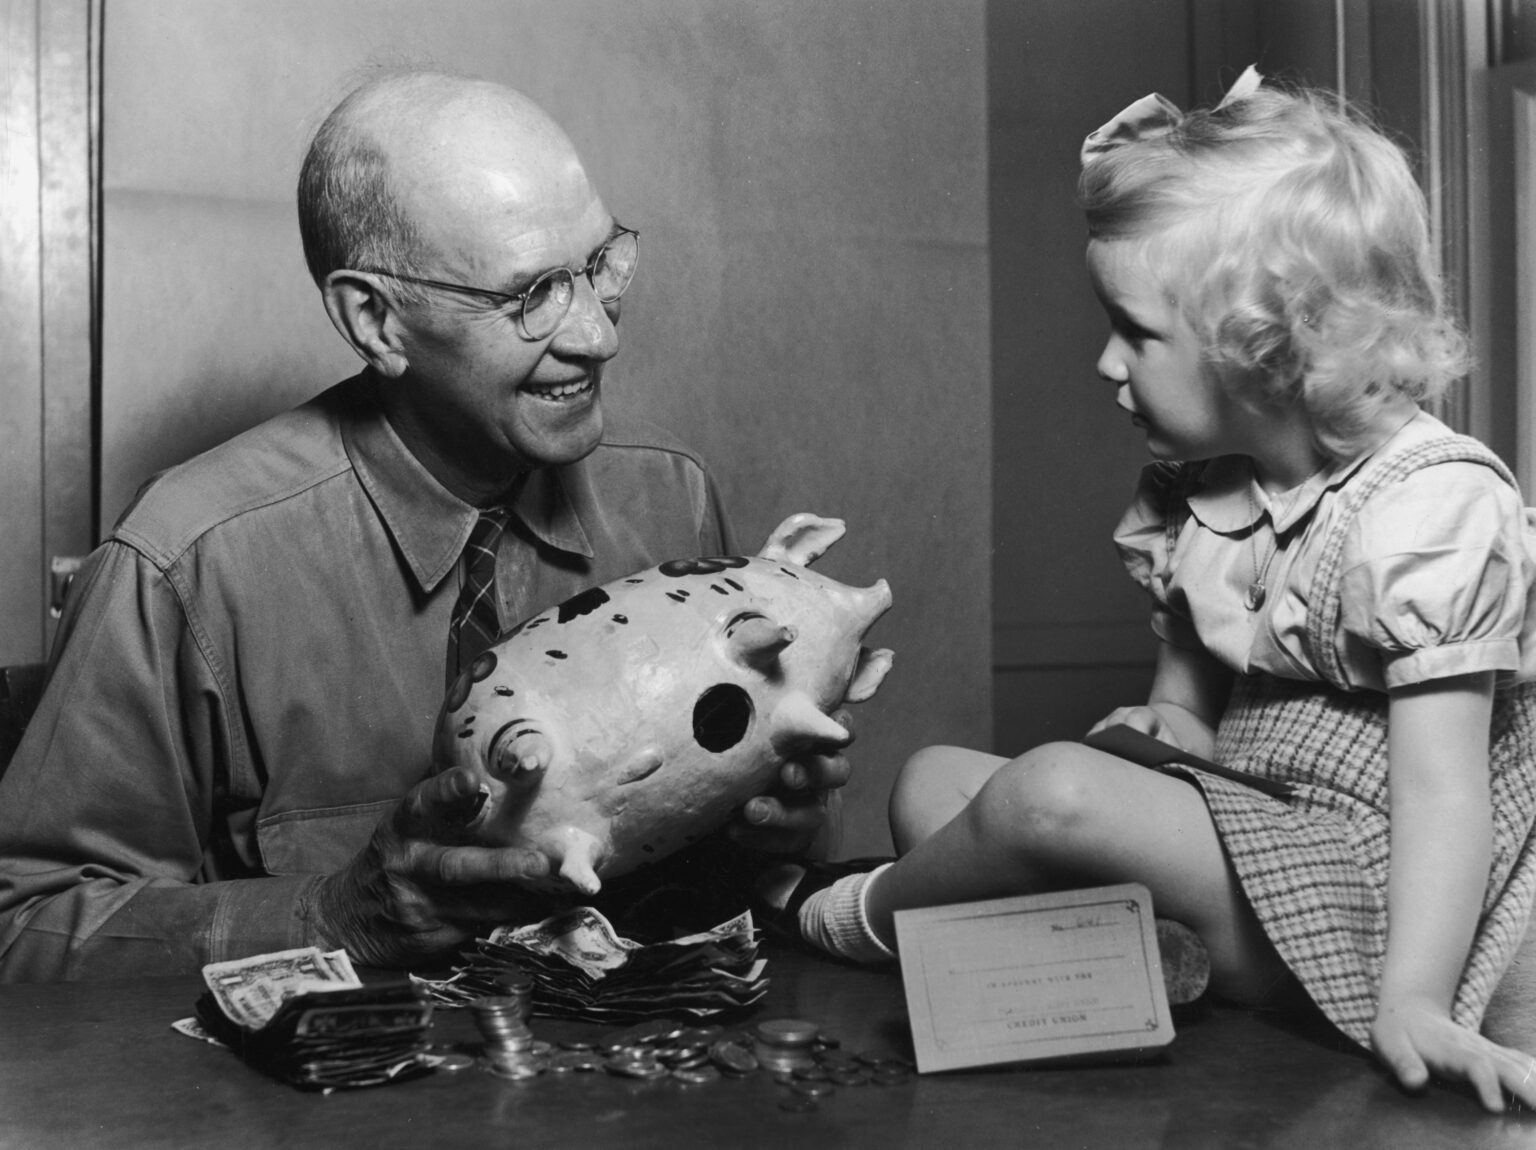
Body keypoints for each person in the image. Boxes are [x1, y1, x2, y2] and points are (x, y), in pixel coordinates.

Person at [791, 69, 1536, 1112]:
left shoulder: (1430, 507)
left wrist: (1414, 999)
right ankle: (1148, 960)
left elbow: (1445, 798)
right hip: (1250, 832)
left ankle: (851, 918)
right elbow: (1187, 712)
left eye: (1134, 333)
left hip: (1372, 895)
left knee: (1051, 792)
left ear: (1262, 347)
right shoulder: (1203, 499)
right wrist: (1166, 722)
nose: (1105, 363)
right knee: (930, 784)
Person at [0, 70, 845, 981]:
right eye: (531, 295)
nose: (599, 336)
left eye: (601, 266)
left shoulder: (668, 493)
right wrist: (329, 915)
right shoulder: (186, 565)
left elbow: (718, 853)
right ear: (376, 320)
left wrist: (766, 822)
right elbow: (24, 927)